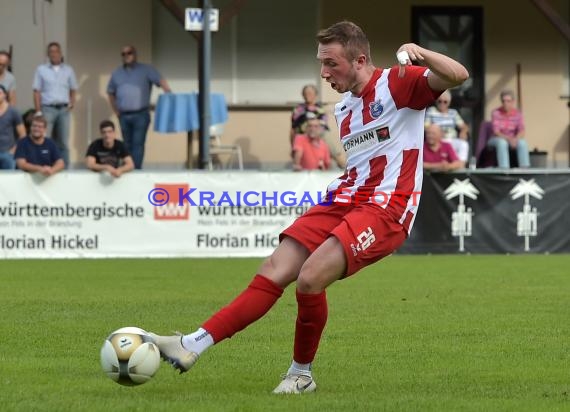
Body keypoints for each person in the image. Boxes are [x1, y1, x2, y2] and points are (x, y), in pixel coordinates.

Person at [149, 21, 468, 394]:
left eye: (331, 63)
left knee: (311, 277)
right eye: (321, 63)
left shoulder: (397, 82)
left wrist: (420, 50)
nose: (323, 72)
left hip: (386, 206)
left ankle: (301, 374)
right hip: (345, 198)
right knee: (274, 268)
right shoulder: (345, 107)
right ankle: (191, 344)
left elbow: (458, 74)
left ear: (360, 59)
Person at [107, 45, 171, 169]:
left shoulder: (146, 70)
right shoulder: (117, 73)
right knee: (127, 144)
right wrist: (115, 110)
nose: (126, 56)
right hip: (124, 115)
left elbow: (160, 80)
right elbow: (110, 92)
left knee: (138, 144)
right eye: (123, 54)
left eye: (129, 53)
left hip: (141, 114)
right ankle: (128, 168)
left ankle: (135, 170)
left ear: (135, 54)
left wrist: (168, 93)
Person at [33, 42, 78, 168]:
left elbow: (73, 88)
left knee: (63, 142)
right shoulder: (41, 69)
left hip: (64, 110)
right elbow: (37, 90)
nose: (53, 54)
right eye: (51, 51)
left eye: (56, 51)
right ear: (48, 54)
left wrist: (72, 102)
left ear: (60, 53)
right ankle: (44, 166)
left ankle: (65, 170)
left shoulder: (68, 70)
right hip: (47, 109)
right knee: (45, 139)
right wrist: (38, 111)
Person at [487, 90, 530, 168]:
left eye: (508, 101)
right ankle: (504, 170)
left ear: (513, 102)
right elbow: (496, 132)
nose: (505, 103)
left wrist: (515, 139)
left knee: (522, 142)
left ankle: (524, 169)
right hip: (496, 138)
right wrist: (509, 139)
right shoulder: (496, 113)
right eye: (503, 101)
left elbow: (522, 130)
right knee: (502, 143)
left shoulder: (518, 114)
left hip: (513, 139)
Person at [424, 89, 469, 163]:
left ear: (449, 102)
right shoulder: (431, 111)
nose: (442, 103)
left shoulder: (453, 113)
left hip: (451, 139)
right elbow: (426, 127)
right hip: (437, 140)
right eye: (439, 101)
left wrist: (463, 132)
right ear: (436, 101)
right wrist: (438, 133)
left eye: (445, 102)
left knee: (463, 144)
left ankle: (460, 165)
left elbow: (464, 126)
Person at [0, 85, 26, 169]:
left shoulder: (13, 111)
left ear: (5, 95)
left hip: (7, 154)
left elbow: (22, 134)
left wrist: (14, 150)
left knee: (9, 180)